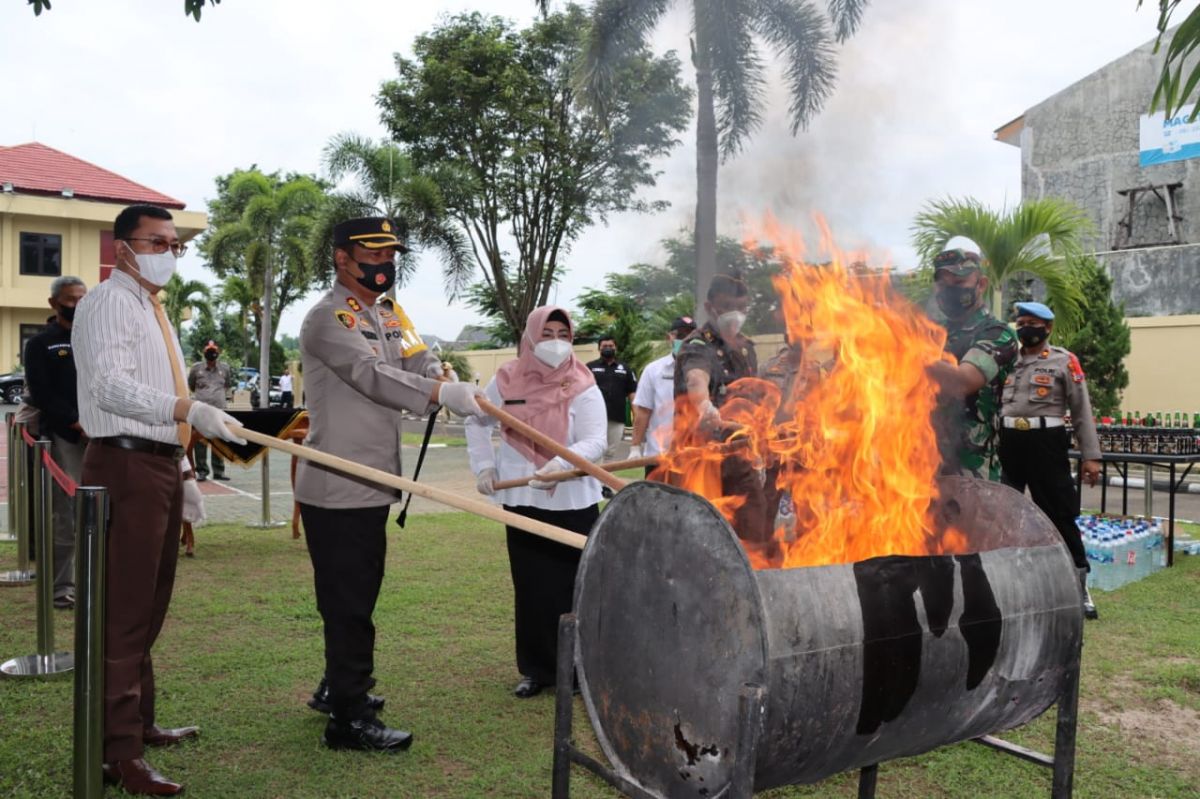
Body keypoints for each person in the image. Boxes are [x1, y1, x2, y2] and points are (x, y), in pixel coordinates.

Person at [72, 204, 246, 796]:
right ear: (122, 247)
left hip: (159, 464)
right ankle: (116, 752)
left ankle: (138, 723)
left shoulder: (154, 308)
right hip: (122, 462)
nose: (169, 253)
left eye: (176, 245)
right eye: (157, 242)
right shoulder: (107, 302)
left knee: (150, 601)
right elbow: (107, 386)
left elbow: (167, 383)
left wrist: (185, 461)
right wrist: (186, 410)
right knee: (123, 611)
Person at [295, 216, 483, 752]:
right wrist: (437, 396)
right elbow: (372, 375)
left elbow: (412, 355)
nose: (384, 264)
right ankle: (348, 719)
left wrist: (439, 371)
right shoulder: (329, 319)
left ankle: (338, 686)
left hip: (372, 482)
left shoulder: (387, 312)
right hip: (339, 485)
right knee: (349, 601)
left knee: (354, 595)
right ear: (342, 259)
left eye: (389, 255)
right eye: (371, 255)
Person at [466, 305, 605, 698]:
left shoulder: (583, 383)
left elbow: (596, 440)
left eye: (563, 334)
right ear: (530, 336)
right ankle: (536, 670)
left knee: (572, 588)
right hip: (523, 498)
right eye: (548, 333)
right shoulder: (507, 379)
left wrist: (561, 464)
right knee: (530, 586)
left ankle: (578, 670)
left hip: (573, 500)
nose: (556, 342)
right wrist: (483, 467)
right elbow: (476, 420)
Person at [998, 301, 1102, 619]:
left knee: (1059, 513)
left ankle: (1079, 585)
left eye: (1033, 322)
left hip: (1046, 443)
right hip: (1008, 443)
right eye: (1022, 321)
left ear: (1048, 328)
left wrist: (1091, 456)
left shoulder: (1063, 361)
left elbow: (1082, 411)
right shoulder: (1004, 362)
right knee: (1004, 512)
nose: (1025, 327)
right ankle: (1010, 586)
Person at [674, 275, 773, 546]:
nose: (736, 315)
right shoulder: (697, 346)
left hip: (741, 458)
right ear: (710, 307)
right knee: (704, 540)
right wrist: (703, 405)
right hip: (703, 459)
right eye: (728, 306)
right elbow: (696, 377)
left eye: (741, 308)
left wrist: (758, 453)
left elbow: (753, 403)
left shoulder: (746, 349)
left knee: (753, 530)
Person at [23, 275, 87, 609]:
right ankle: (62, 588)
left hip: (104, 436)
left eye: (82, 298)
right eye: (70, 299)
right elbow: (42, 394)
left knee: (104, 512)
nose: (77, 304)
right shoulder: (40, 344)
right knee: (66, 516)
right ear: (54, 303)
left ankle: (97, 580)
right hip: (65, 437)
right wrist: (76, 421)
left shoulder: (96, 339)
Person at [926, 249, 1018, 481]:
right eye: (943, 284)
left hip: (971, 469)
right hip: (919, 466)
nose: (950, 290)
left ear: (981, 284)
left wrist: (904, 350)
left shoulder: (997, 333)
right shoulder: (931, 333)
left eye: (958, 282)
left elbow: (963, 381)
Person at [628, 316, 695, 476]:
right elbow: (643, 411)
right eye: (680, 335)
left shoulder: (706, 371)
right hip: (658, 455)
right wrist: (635, 447)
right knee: (656, 500)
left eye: (691, 336)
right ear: (669, 337)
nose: (685, 340)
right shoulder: (653, 370)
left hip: (694, 455)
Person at [187, 341, 234, 481]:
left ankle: (219, 471)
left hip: (219, 410)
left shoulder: (224, 368)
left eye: (214, 350)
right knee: (200, 441)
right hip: (201, 411)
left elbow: (227, 385)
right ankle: (202, 471)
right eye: (209, 350)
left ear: (218, 353)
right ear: (204, 352)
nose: (211, 353)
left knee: (219, 440)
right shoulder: (196, 368)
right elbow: (191, 385)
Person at [587, 336, 637, 460]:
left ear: (616, 348)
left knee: (610, 452)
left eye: (611, 346)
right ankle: (591, 478)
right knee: (593, 449)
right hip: (594, 417)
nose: (608, 348)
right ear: (599, 348)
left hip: (617, 418)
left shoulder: (625, 369)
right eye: (604, 346)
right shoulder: (589, 367)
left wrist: (637, 415)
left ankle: (604, 479)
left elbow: (632, 393)